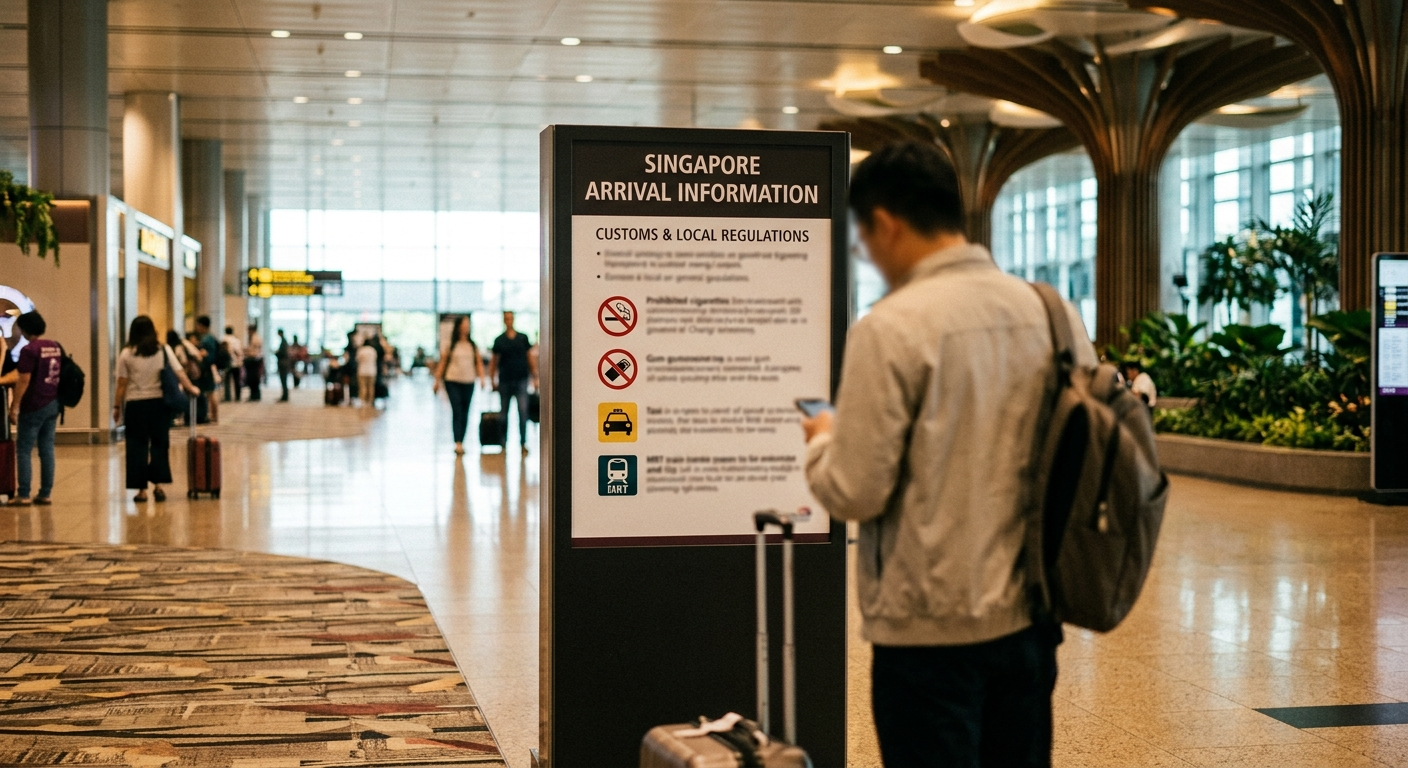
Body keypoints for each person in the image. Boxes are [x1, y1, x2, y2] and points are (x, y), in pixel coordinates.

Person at [801, 141, 1096, 767]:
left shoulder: (892, 327)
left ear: (885, 222)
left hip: (927, 629)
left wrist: (822, 441)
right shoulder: (1052, 312)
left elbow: (857, 490)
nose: (869, 256)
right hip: (1029, 618)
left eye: (863, 239)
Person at [113, 316, 199, 503]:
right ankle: (158, 487)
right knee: (159, 445)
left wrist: (117, 406)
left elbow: (121, 383)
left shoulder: (127, 353)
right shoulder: (163, 350)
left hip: (135, 406)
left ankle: (141, 491)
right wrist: (192, 388)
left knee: (137, 447)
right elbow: (179, 373)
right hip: (158, 406)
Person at [7, 311, 62, 506]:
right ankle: (45, 493)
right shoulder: (54, 346)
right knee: (47, 449)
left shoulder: (29, 350)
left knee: (23, 449)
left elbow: (24, 379)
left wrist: (14, 407)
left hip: (34, 405)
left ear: (24, 329)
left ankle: (24, 494)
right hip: (52, 403)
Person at [434, 315, 486, 456]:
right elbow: (443, 363)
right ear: (458, 327)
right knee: (457, 410)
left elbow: (478, 363)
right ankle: (457, 442)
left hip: (468, 381)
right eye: (463, 325)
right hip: (452, 380)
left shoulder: (472, 346)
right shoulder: (451, 345)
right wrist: (437, 381)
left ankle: (461, 439)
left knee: (465, 412)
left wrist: (482, 378)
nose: (465, 328)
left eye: (467, 325)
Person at [490, 311, 537, 454]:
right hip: (505, 381)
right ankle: (503, 443)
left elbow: (529, 358)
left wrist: (535, 376)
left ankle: (523, 443)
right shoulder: (499, 340)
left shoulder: (523, 338)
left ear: (513, 320)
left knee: (523, 412)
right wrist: (492, 379)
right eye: (506, 318)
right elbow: (494, 361)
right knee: (503, 413)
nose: (509, 321)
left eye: (511, 318)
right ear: (504, 320)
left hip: (521, 380)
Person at [193, 316, 220, 423]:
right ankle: (214, 415)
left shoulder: (206, 338)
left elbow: (209, 355)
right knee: (210, 393)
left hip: (207, 369)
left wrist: (201, 354)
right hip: (209, 368)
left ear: (202, 326)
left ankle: (214, 415)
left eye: (198, 325)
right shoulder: (210, 337)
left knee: (210, 393)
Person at [356, 338, 379, 412]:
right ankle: (370, 401)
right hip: (372, 371)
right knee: (371, 387)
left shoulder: (361, 350)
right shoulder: (373, 350)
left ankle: (363, 401)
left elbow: (357, 360)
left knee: (363, 386)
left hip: (362, 370)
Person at [221, 325, 244, 401]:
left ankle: (228, 397)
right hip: (236, 363)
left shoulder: (224, 339)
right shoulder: (236, 340)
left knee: (227, 381)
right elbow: (240, 351)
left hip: (228, 363)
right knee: (237, 380)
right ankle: (238, 396)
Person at [244, 324, 264, 402]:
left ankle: (255, 395)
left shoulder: (256, 338)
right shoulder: (252, 337)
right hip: (252, 359)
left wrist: (248, 352)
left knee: (254, 379)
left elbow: (255, 351)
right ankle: (253, 395)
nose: (247, 332)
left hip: (255, 360)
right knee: (252, 379)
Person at [275, 329, 291, 402]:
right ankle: (284, 395)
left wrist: (277, 353)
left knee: (284, 380)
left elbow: (282, 353)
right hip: (284, 363)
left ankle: (285, 396)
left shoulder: (284, 342)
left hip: (283, 363)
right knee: (283, 380)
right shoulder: (283, 341)